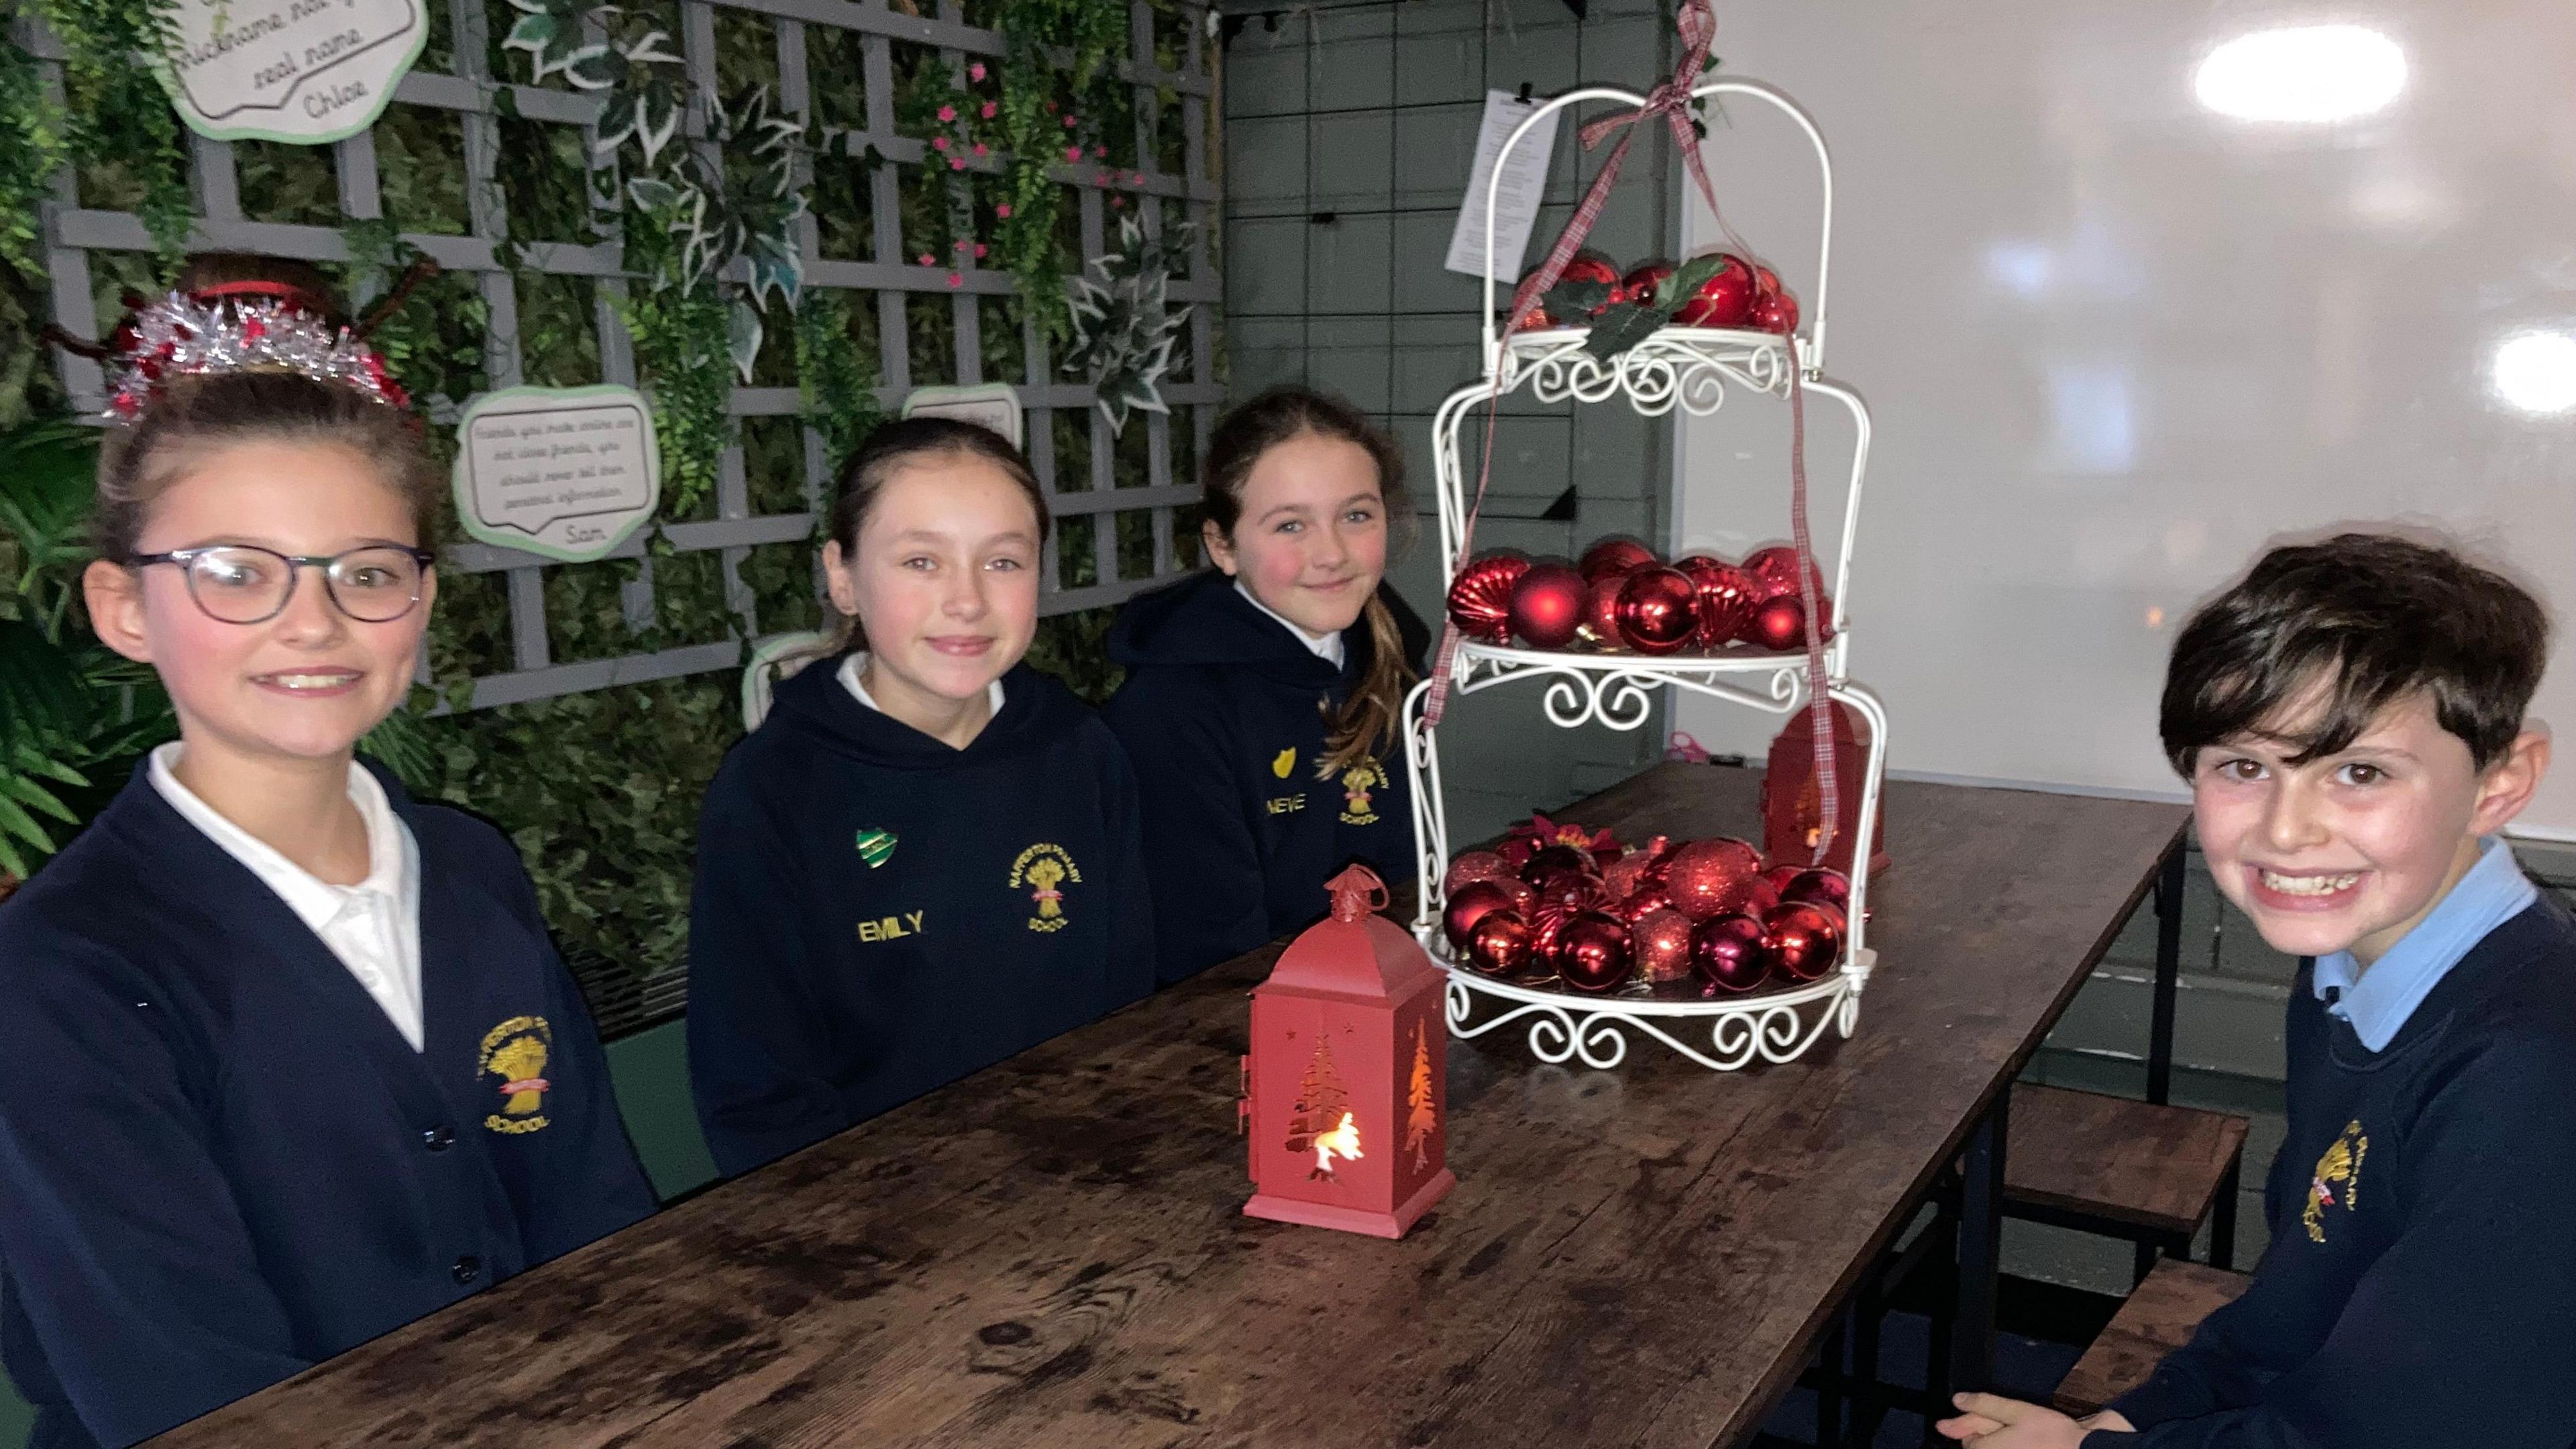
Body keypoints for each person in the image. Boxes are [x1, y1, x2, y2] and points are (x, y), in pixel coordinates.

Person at [0, 261, 655, 1449]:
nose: (316, 621)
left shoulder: (468, 872)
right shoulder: (62, 973)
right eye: (237, 572)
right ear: (124, 607)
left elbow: (593, 1211)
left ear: (421, 600)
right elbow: (185, 1386)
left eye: (366, 571)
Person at [1937, 532, 2575, 1448]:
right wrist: (2130, 1423)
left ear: (2499, 783)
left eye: (2359, 772)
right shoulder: (2351, 966)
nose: (2287, 830)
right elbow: (2302, 1295)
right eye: (2244, 766)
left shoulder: (2531, 1077)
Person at [686, 417, 1155, 1177]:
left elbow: (1131, 1010)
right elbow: (758, 1091)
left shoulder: (1083, 753)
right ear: (842, 576)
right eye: (921, 561)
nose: (967, 600)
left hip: (1082, 1183)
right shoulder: (773, 791)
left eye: (1003, 561)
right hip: (876, 1225)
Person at [1101, 387, 1429, 983]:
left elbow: (1408, 878)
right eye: (1290, 526)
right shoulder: (1170, 711)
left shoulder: (1393, 664)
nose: (1330, 553)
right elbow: (1210, 958)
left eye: (1356, 516)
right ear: (1223, 547)